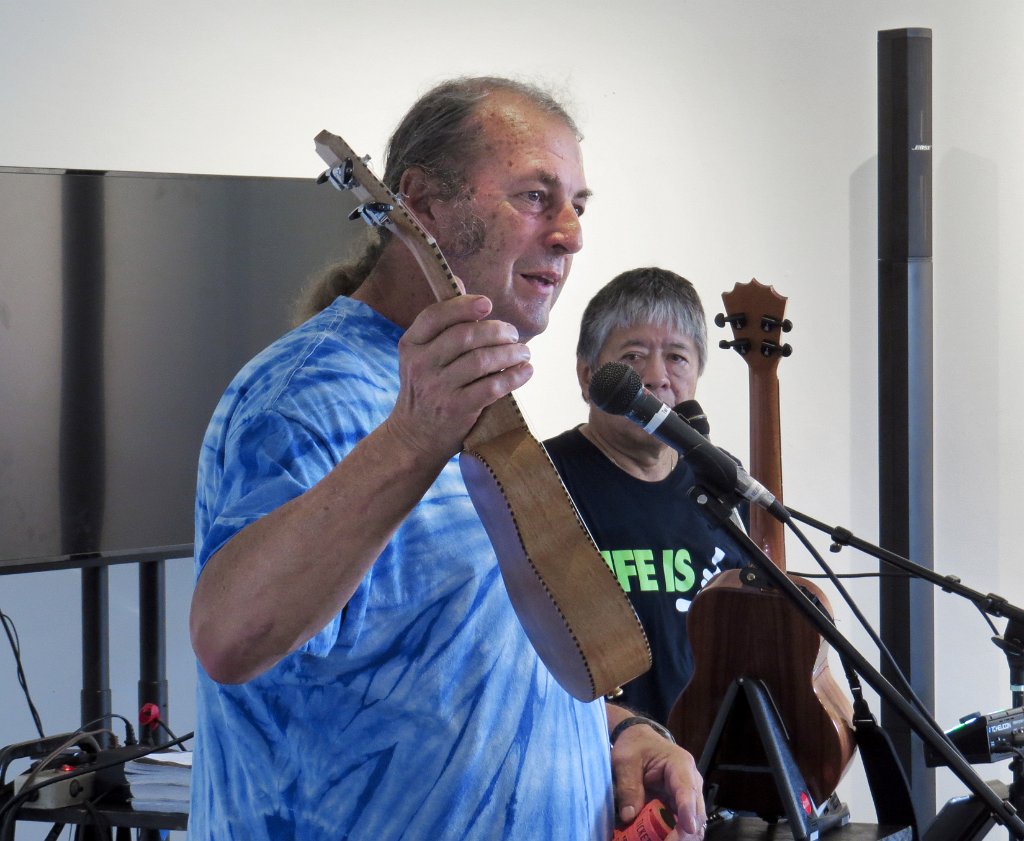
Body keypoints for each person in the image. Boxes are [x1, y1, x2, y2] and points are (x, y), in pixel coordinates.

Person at [188, 78, 706, 840]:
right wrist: (411, 439)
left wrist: (625, 732)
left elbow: (474, 665)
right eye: (536, 196)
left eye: (578, 204)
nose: (570, 234)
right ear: (423, 204)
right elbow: (230, 639)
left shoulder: (470, 400)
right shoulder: (308, 394)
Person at [545, 267, 749, 725]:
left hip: (706, 769)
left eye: (677, 357)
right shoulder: (538, 481)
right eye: (633, 356)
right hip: (590, 763)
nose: (656, 378)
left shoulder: (725, 484)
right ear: (587, 376)